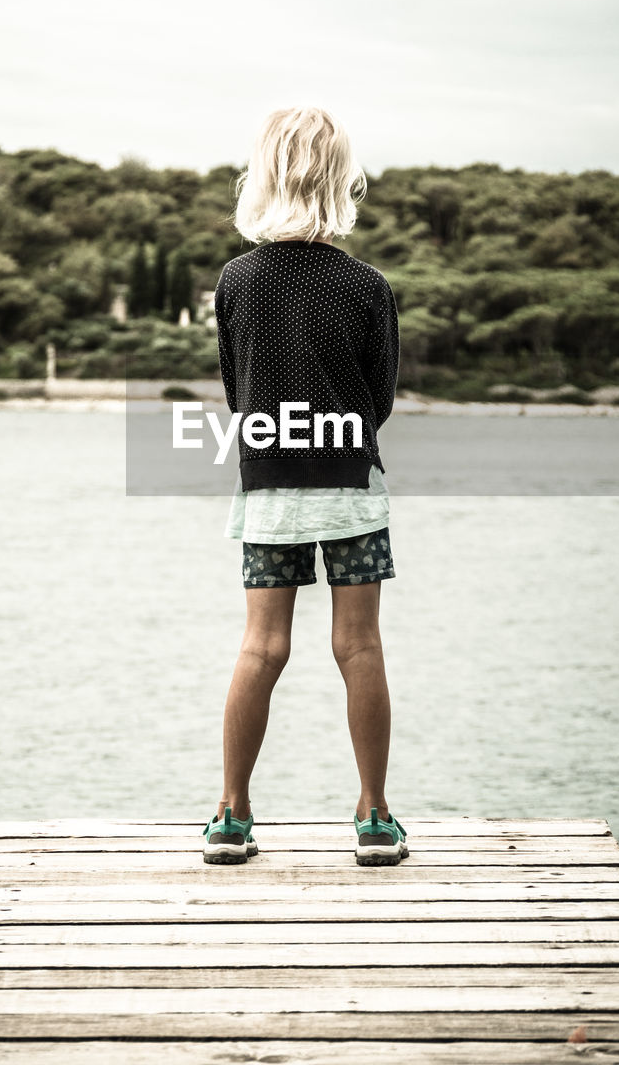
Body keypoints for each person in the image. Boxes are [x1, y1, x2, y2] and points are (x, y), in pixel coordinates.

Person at [203, 105, 408, 868]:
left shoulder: (237, 281)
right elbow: (380, 399)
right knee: (359, 647)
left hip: (269, 484)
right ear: (341, 182)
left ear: (262, 176)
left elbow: (236, 390)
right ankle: (375, 817)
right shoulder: (366, 285)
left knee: (261, 647)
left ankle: (230, 814)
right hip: (350, 482)